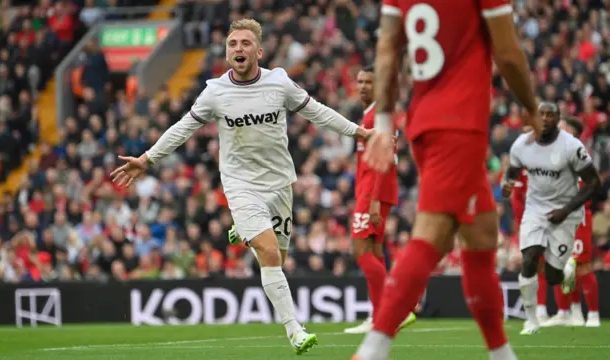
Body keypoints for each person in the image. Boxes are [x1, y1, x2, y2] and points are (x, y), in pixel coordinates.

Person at [111, 19, 372, 355]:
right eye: (233, 44)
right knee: (268, 251)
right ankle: (294, 330)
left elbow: (317, 112)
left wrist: (356, 131)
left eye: (246, 43)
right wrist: (147, 159)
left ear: (259, 51)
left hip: (279, 183)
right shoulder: (216, 92)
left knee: (277, 257)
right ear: (226, 52)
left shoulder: (279, 83)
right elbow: (182, 129)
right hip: (240, 182)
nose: (238, 49)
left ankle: (243, 231)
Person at [353, 0, 542, 358]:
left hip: (425, 123)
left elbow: (387, 50)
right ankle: (371, 351)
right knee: (433, 234)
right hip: (461, 123)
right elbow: (508, 52)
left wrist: (383, 123)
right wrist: (531, 107)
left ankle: (501, 353)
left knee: (482, 233)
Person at [501, 102, 601, 335]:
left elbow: (594, 182)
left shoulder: (571, 146)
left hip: (566, 211)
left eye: (550, 115)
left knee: (554, 276)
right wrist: (507, 182)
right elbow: (513, 170)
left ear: (558, 119)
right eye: (540, 114)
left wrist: (565, 210)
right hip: (535, 209)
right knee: (530, 258)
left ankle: (564, 273)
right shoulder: (522, 144)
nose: (544, 118)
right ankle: (532, 319)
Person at [343, 66, 416, 334]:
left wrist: (373, 200)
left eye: (368, 82)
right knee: (373, 251)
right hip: (370, 190)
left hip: (373, 191)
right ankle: (380, 317)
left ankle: (398, 309)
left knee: (360, 252)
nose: (362, 86)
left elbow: (384, 162)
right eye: (359, 81)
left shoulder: (379, 117)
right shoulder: (369, 115)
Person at [539, 116, 601, 328]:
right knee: (563, 265)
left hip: (577, 217)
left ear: (573, 132)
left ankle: (593, 315)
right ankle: (569, 312)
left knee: (581, 266)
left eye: (563, 126)